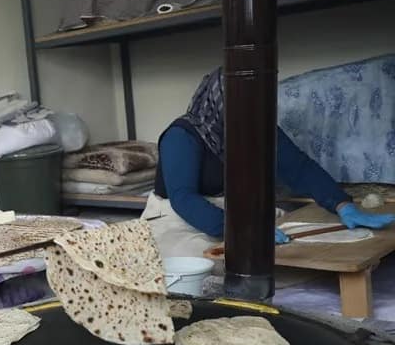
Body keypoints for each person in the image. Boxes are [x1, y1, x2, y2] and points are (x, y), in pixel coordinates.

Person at [143, 67, 395, 258]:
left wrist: (342, 204)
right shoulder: (182, 136)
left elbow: (299, 168)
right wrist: (242, 230)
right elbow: (184, 199)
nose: (251, 111)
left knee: (288, 249)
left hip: (232, 214)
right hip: (177, 219)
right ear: (220, 103)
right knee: (209, 262)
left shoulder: (257, 125)